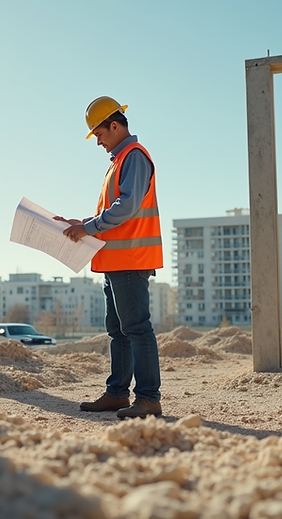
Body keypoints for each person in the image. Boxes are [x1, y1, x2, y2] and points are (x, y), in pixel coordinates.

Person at [54, 96, 164, 419]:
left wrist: (88, 227)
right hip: (116, 262)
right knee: (118, 331)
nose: (98, 142)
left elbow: (126, 208)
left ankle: (147, 398)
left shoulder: (134, 157)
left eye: (99, 134)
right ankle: (118, 392)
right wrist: (81, 224)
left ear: (114, 126)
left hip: (130, 260)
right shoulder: (118, 162)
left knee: (137, 329)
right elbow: (110, 211)